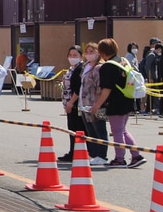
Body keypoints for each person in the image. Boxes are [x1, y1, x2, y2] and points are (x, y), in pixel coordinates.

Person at [91, 38, 144, 168]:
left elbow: (107, 89)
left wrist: (97, 105)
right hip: (128, 98)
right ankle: (136, 155)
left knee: (117, 131)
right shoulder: (122, 61)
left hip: (116, 102)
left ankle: (120, 159)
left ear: (102, 52)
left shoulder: (107, 67)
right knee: (122, 130)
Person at [78, 42, 109, 165]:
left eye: (92, 51)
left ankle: (102, 155)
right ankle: (93, 153)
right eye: (87, 52)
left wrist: (98, 104)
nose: (89, 54)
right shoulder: (86, 66)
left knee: (99, 129)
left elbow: (100, 87)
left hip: (96, 103)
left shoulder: (99, 67)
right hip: (84, 103)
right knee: (90, 130)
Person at [59, 45, 85, 163]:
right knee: (71, 128)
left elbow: (78, 88)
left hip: (75, 103)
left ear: (81, 56)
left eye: (75, 55)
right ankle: (72, 151)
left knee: (77, 128)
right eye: (70, 55)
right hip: (68, 101)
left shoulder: (81, 68)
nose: (72, 57)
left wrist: (71, 102)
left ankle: (77, 152)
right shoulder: (71, 68)